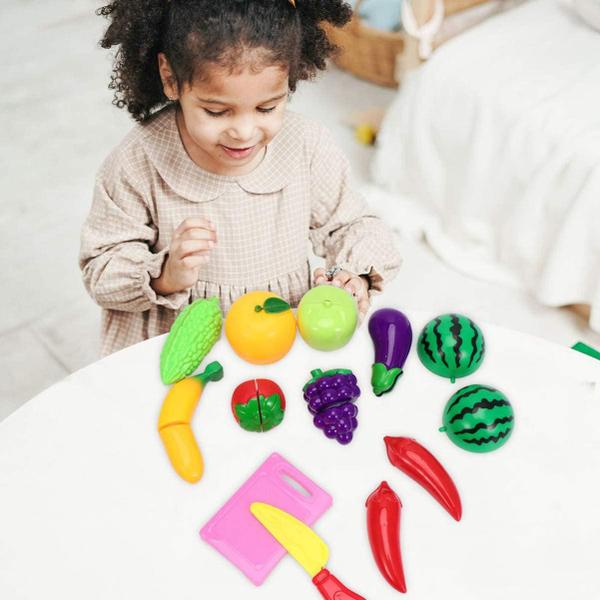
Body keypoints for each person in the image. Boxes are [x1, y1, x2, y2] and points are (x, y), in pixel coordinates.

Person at [80, 0, 402, 356]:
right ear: (170, 78)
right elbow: (100, 270)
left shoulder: (305, 145)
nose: (244, 132)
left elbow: (353, 223)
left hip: (280, 336)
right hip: (180, 347)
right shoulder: (139, 162)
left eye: (267, 108)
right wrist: (165, 274)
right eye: (217, 111)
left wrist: (352, 275)